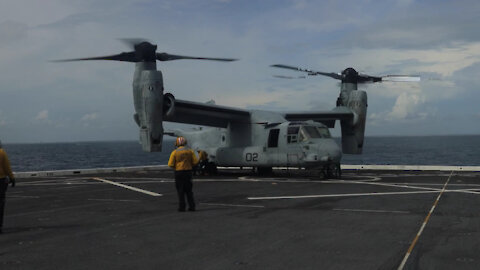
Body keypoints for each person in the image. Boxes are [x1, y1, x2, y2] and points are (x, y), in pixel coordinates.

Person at [168, 137, 198, 212]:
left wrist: (177, 166)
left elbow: (170, 164)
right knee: (189, 191)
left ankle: (182, 207)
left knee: (180, 191)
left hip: (179, 172)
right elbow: (195, 162)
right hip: (188, 172)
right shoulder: (190, 151)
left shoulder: (175, 152)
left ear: (177, 143)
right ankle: (192, 207)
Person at [0, 140, 15, 234]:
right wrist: (12, 178)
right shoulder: (2, 152)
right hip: (0, 181)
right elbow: (7, 167)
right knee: (0, 203)